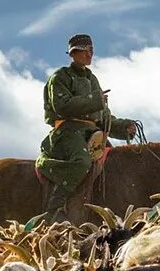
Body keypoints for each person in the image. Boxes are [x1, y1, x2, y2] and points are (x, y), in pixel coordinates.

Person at [36, 34, 138, 221]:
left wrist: (125, 127)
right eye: (86, 49)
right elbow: (62, 106)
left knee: (115, 165)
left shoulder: (93, 80)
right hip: (67, 132)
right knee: (81, 162)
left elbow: (103, 117)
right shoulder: (60, 77)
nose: (91, 53)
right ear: (74, 53)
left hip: (92, 134)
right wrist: (94, 101)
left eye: (92, 49)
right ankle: (53, 211)